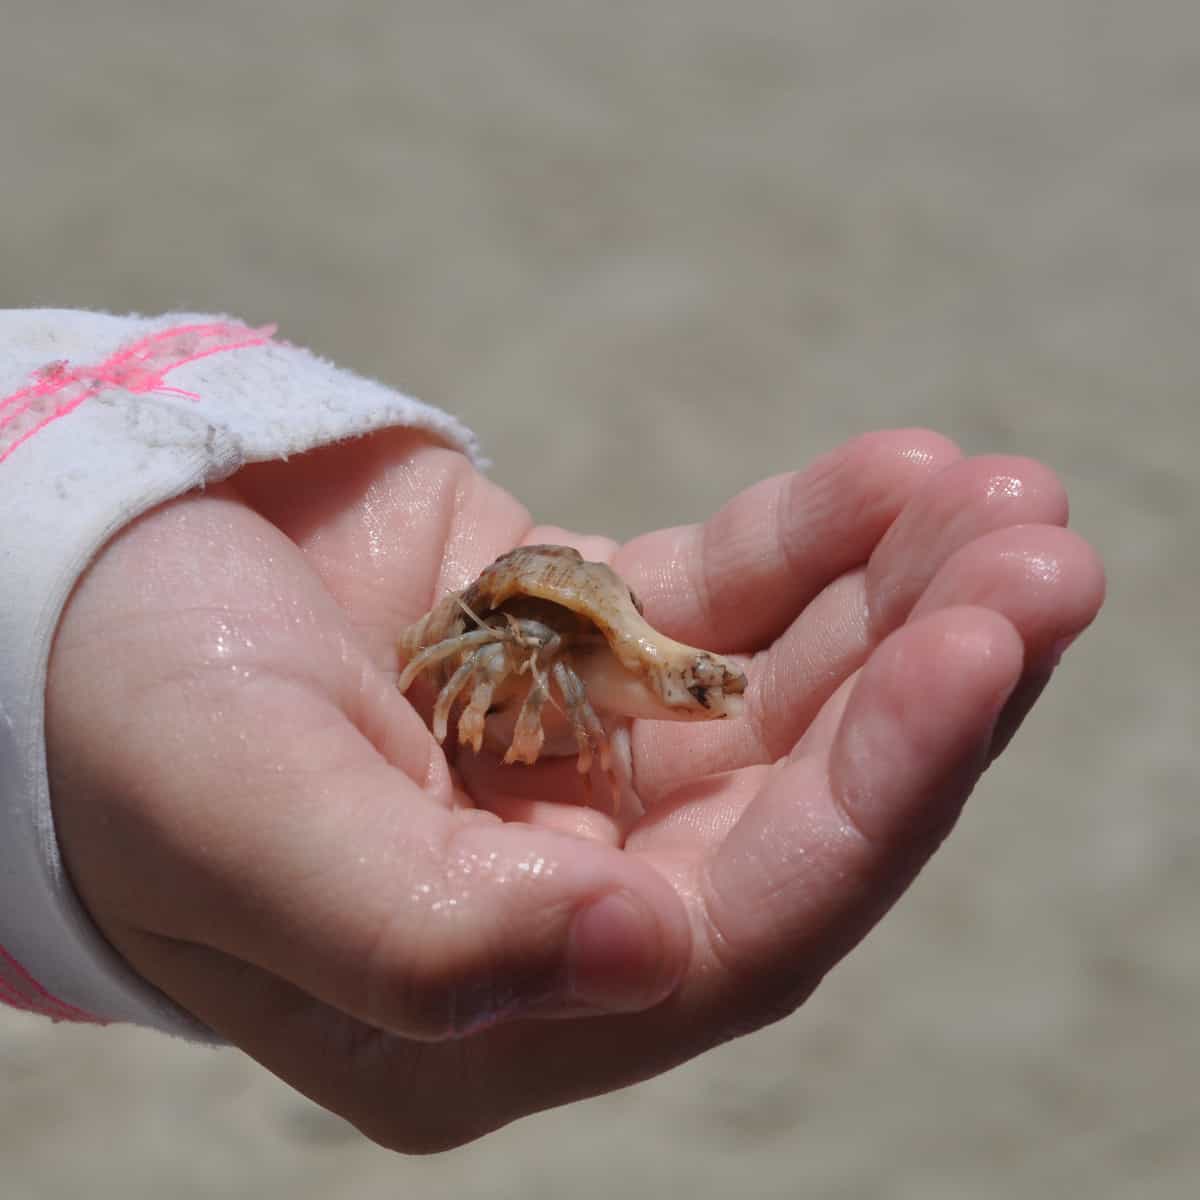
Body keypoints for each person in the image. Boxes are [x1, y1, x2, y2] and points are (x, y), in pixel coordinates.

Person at [2, 310, 1104, 1152]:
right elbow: (474, 651)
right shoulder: (492, 637)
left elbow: (569, 676)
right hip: (516, 616)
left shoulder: (580, 647)